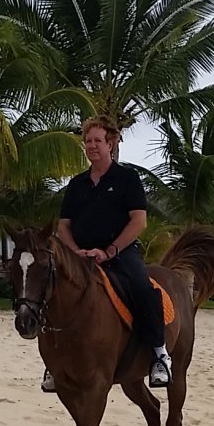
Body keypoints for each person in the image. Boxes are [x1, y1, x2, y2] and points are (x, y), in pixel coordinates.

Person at [43, 116, 171, 391]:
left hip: (120, 252)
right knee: (52, 291)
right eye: (88, 141)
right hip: (80, 255)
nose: (91, 146)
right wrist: (75, 251)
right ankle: (54, 363)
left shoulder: (127, 178)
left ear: (110, 144)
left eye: (97, 141)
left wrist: (110, 250)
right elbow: (64, 226)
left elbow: (139, 222)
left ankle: (159, 354)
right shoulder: (76, 184)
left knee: (143, 289)